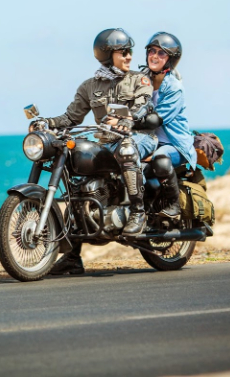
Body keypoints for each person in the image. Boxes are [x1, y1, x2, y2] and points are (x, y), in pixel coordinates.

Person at [41, 28, 157, 275]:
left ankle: (138, 212)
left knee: (126, 149)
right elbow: (71, 117)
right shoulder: (89, 86)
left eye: (129, 52)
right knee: (77, 180)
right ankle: (72, 255)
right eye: (123, 52)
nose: (129, 56)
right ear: (107, 55)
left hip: (139, 138)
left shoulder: (139, 80)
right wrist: (47, 123)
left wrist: (131, 119)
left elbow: (143, 104)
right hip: (107, 142)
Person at [133, 32, 197, 219]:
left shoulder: (174, 87)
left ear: (171, 59)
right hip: (149, 141)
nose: (154, 56)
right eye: (152, 51)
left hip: (174, 145)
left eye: (161, 53)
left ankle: (173, 206)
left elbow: (155, 120)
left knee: (160, 159)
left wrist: (128, 119)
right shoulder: (142, 79)